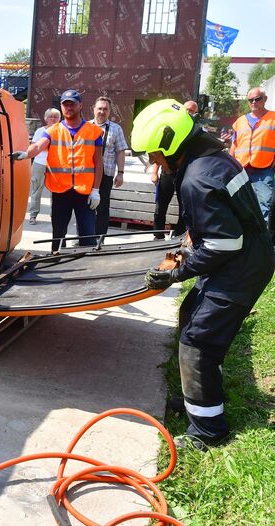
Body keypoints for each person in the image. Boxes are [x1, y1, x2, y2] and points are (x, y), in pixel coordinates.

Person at [133, 99, 275, 449]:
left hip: (240, 268)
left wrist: (176, 273)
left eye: (153, 153)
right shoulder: (211, 158)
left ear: (171, 144)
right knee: (190, 315)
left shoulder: (197, 178)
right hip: (242, 259)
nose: (153, 161)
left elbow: (223, 244)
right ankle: (201, 396)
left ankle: (208, 431)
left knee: (198, 342)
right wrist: (184, 248)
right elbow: (214, 226)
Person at [13, 89, 104, 253]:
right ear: (61, 107)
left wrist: (96, 190)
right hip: (61, 191)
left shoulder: (93, 131)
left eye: (72, 104)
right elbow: (39, 145)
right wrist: (27, 154)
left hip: (85, 192)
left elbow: (99, 164)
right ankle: (57, 258)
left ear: (80, 105)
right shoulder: (53, 130)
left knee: (88, 236)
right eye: (65, 105)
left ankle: (87, 268)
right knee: (58, 235)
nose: (69, 108)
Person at [227, 87, 275, 225]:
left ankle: (261, 242)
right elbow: (234, 145)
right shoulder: (240, 121)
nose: (253, 102)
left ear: (264, 99)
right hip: (241, 169)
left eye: (257, 99)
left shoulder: (273, 118)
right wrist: (229, 164)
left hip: (263, 168)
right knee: (238, 203)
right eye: (250, 100)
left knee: (264, 205)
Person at [150, 100, 197, 239]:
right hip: (167, 174)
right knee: (160, 207)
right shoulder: (170, 127)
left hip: (184, 175)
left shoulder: (195, 131)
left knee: (184, 208)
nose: (189, 112)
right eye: (187, 109)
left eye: (192, 111)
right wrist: (154, 172)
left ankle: (178, 236)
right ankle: (157, 236)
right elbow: (158, 151)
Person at [89, 96, 127, 236]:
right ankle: (85, 237)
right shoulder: (86, 127)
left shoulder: (116, 129)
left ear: (110, 111)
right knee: (86, 207)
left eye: (105, 109)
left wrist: (121, 173)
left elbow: (120, 151)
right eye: (99, 108)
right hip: (87, 174)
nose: (102, 111)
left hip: (106, 174)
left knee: (103, 207)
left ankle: (99, 238)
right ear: (94, 110)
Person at [26, 108, 61, 224]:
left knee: (56, 192)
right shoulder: (40, 131)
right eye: (51, 116)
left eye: (56, 116)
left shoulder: (63, 131)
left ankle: (55, 215)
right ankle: (33, 215)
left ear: (60, 119)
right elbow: (35, 147)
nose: (53, 119)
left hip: (56, 165)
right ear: (46, 119)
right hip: (40, 164)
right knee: (36, 191)